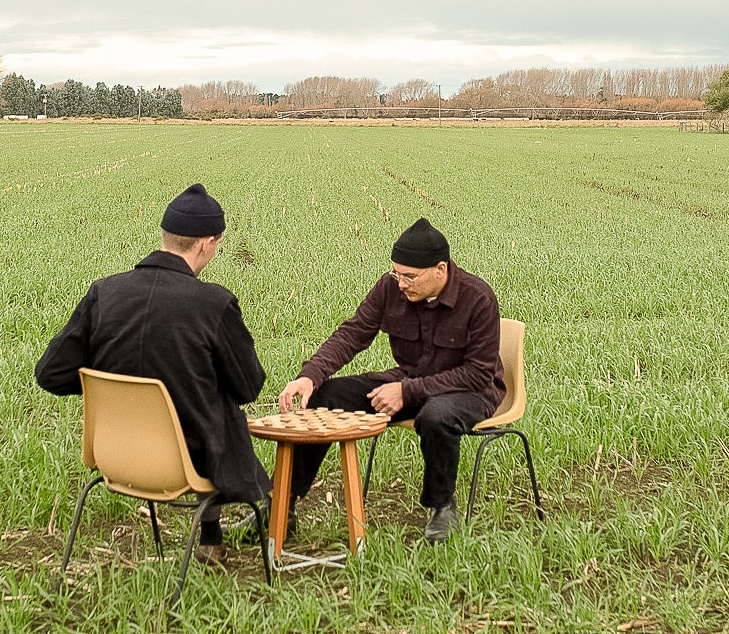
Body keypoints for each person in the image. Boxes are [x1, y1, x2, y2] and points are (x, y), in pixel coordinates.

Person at [35, 183, 272, 563]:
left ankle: (211, 536)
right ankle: (222, 531)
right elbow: (248, 387)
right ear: (207, 244)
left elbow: (51, 374)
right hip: (186, 463)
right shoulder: (214, 303)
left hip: (113, 457)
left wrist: (115, 388)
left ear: (166, 237)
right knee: (217, 405)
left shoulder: (104, 293)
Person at [277, 216, 503, 543]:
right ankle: (282, 506)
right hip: (409, 381)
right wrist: (310, 376)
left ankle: (442, 507)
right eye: (396, 273)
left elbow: (478, 373)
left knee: (436, 416)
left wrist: (407, 391)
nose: (401, 284)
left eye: (410, 277)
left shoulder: (477, 298)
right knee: (326, 396)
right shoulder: (390, 288)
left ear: (441, 269)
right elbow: (353, 334)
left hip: (469, 391)